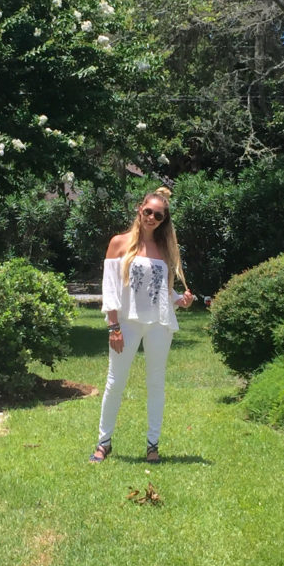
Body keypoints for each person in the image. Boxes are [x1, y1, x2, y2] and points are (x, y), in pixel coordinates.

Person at [90, 187, 194, 464]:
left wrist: (179, 300)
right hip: (127, 322)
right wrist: (113, 327)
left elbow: (160, 291)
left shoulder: (165, 249)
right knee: (115, 382)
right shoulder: (119, 243)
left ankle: (152, 445)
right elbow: (110, 288)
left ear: (164, 219)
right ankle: (103, 443)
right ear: (139, 209)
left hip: (159, 323)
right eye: (148, 212)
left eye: (158, 215)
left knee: (156, 383)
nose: (151, 218)